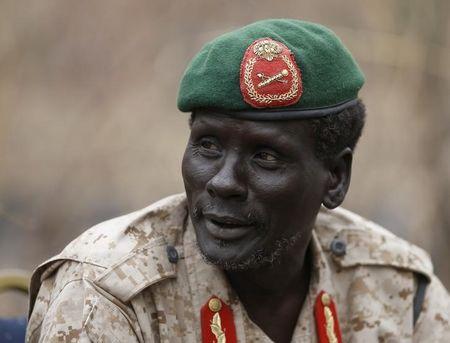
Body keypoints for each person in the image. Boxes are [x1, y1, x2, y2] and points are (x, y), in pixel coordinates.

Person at [26, 19, 449, 343]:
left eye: (266, 156)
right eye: (207, 145)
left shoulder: (395, 287)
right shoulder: (111, 291)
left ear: (335, 178)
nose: (223, 182)